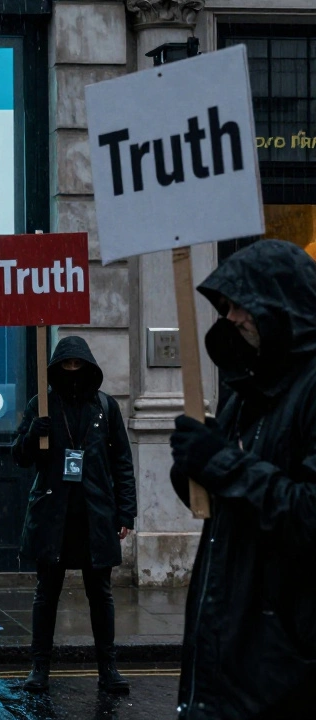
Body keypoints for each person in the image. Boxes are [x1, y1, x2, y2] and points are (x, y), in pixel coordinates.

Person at [169, 239, 316, 719]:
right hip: (222, 670)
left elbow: (308, 514)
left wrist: (221, 463)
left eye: (238, 305)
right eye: (225, 307)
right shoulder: (245, 392)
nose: (229, 318)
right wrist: (193, 467)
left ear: (279, 305)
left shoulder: (310, 390)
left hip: (281, 674)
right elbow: (227, 501)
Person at [12, 336, 136, 694]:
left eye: (77, 365)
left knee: (101, 594)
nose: (71, 372)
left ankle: (108, 668)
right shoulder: (42, 406)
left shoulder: (106, 408)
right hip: (54, 516)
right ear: (55, 369)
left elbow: (122, 464)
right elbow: (19, 457)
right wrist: (33, 436)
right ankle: (39, 668)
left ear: (88, 367)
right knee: (46, 594)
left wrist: (126, 511)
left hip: (95, 517)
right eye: (65, 366)